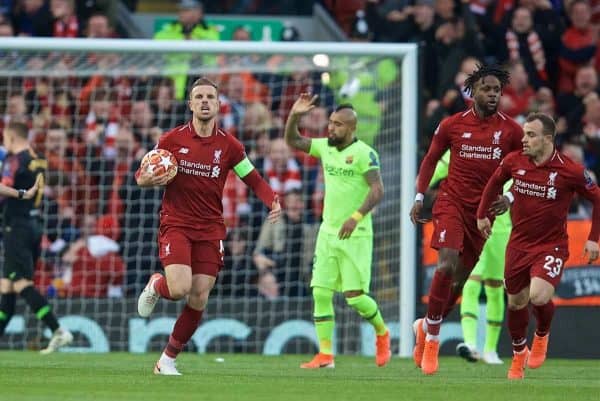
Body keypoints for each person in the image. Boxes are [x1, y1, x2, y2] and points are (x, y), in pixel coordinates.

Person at [136, 77, 281, 376]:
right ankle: (156, 284)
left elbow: (252, 178)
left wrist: (272, 200)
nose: (204, 101)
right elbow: (141, 175)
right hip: (176, 223)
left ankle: (167, 361)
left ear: (217, 104)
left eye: (209, 97)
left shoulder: (229, 145)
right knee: (178, 289)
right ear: (190, 103)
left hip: (211, 228)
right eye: (198, 96)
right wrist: (148, 179)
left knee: (199, 295)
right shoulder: (171, 140)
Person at [410, 64, 523, 375]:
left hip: (483, 216)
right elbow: (431, 159)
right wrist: (420, 196)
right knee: (445, 264)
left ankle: (423, 326)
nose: (493, 95)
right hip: (451, 203)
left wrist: (510, 197)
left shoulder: (512, 130)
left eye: (497, 90)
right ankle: (432, 340)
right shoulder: (452, 125)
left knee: (457, 285)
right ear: (473, 91)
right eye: (487, 89)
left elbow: (526, 169)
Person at [477, 112, 600, 380]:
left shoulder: (571, 170)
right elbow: (493, 183)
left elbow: (598, 198)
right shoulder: (514, 161)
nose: (524, 139)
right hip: (519, 244)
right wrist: (482, 214)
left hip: (551, 245)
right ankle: (519, 353)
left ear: (548, 139)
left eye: (530, 135)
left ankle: (542, 334)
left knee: (539, 296)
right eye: (524, 134)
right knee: (516, 303)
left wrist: (593, 238)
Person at [284, 94, 391, 369]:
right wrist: (295, 115)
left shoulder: (365, 154)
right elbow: (293, 140)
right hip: (327, 233)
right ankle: (326, 355)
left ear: (352, 128)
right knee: (320, 292)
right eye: (331, 123)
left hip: (356, 235)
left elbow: (378, 190)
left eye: (338, 125)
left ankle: (382, 332)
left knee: (355, 298)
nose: (331, 128)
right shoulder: (324, 147)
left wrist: (355, 218)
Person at [429, 150, 510, 365]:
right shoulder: (466, 149)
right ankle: (470, 343)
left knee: (494, 289)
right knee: (470, 284)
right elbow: (432, 174)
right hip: (473, 229)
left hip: (502, 232)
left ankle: (490, 350)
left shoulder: (512, 155)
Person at [0, 121, 73, 354]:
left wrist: (18, 194)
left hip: (16, 227)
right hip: (33, 225)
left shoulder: (14, 160)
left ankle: (58, 330)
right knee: (7, 287)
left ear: (11, 137)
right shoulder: (38, 158)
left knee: (21, 283)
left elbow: (4, 187)